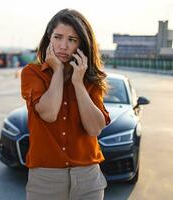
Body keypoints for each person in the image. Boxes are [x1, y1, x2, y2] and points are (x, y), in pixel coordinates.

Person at [21, 8, 111, 200]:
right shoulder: (32, 73)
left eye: (72, 40)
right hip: (45, 178)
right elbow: (49, 113)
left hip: (88, 178)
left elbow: (95, 128)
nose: (63, 46)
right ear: (49, 37)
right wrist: (58, 71)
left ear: (81, 44)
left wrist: (78, 83)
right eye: (58, 37)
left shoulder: (90, 79)